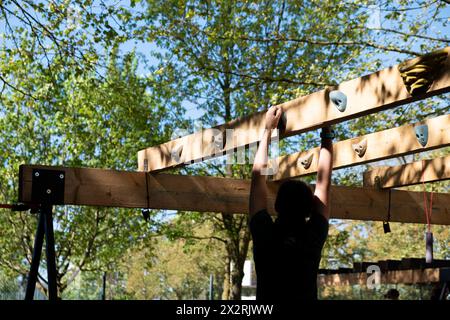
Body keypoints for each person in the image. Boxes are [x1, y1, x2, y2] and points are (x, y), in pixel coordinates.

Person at [249, 105, 333, 300]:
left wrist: (268, 129)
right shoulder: (311, 236)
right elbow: (324, 185)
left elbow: (323, 184)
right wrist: (327, 132)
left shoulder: (266, 234)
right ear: (308, 209)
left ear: (277, 206)